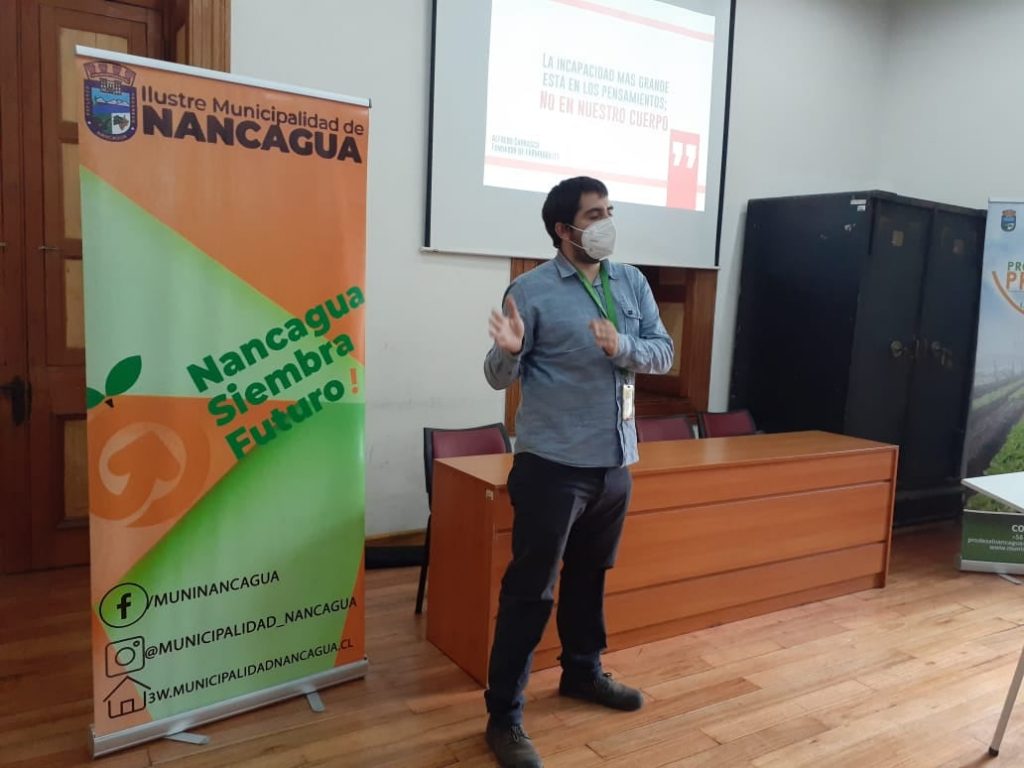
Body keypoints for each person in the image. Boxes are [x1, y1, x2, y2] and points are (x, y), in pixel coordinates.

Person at [482, 176, 674, 767]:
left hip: (614, 462)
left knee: (590, 576)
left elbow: (663, 352)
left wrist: (623, 347)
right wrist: (510, 350)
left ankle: (582, 673)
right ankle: (504, 716)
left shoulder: (631, 281)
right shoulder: (531, 290)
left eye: (610, 210)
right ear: (564, 229)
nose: (606, 223)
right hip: (553, 466)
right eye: (595, 215)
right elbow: (496, 376)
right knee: (530, 591)